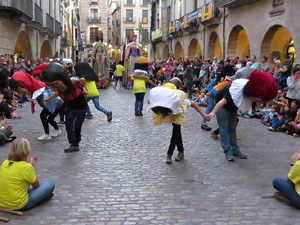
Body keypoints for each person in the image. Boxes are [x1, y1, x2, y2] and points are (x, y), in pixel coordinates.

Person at [208, 72, 279, 161]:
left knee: (232, 128)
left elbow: (264, 98)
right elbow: (222, 102)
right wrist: (213, 112)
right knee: (224, 128)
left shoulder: (251, 89)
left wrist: (278, 103)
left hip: (232, 107)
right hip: (222, 106)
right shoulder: (234, 91)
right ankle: (228, 151)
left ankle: (235, 150)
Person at [148, 87, 210, 164]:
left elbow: (193, 104)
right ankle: (181, 152)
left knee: (175, 133)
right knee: (177, 133)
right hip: (168, 109)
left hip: (178, 113)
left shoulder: (181, 101)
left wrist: (204, 115)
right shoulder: (163, 101)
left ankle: (169, 154)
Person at [42, 63, 88, 153]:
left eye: (54, 84)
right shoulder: (60, 88)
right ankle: (73, 143)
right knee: (68, 124)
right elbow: (58, 93)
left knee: (77, 126)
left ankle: (76, 142)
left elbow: (85, 92)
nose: (52, 88)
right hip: (71, 107)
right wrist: (49, 98)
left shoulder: (74, 84)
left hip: (81, 107)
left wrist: (82, 89)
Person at [0, 138, 55, 211]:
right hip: (19, 205)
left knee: (17, 184)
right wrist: (31, 166)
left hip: (2, 203)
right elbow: (36, 185)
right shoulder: (27, 167)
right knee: (49, 184)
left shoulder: (5, 163)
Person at [9, 72, 63, 141]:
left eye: (19, 90)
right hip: (53, 104)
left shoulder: (38, 89)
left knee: (48, 118)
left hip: (56, 104)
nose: (20, 93)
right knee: (44, 116)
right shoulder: (35, 88)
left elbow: (45, 96)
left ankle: (52, 132)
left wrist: (45, 101)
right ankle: (51, 132)